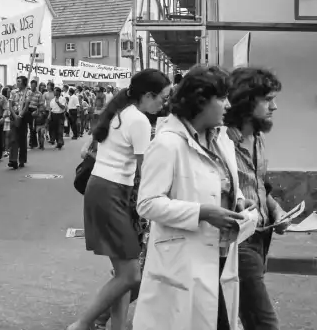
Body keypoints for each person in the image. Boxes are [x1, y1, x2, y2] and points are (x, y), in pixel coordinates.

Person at [133, 65, 255, 330]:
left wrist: (239, 201)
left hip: (220, 255)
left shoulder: (221, 139)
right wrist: (203, 212)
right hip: (183, 261)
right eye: (221, 98)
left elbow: (223, 183)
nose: (228, 104)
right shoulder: (167, 143)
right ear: (200, 100)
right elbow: (147, 203)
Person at [67, 69, 171, 330]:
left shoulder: (121, 112)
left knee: (125, 273)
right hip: (111, 192)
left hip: (106, 190)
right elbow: (146, 170)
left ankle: (105, 324)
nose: (164, 104)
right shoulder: (139, 120)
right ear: (148, 95)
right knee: (130, 274)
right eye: (163, 97)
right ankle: (83, 324)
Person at [225, 67, 288, 330]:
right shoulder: (223, 139)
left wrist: (277, 210)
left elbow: (258, 184)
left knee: (244, 316)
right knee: (264, 322)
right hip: (240, 238)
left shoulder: (257, 136)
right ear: (247, 100)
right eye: (268, 99)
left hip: (263, 234)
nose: (275, 106)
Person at [9, 76, 32, 169]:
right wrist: (15, 115)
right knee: (13, 138)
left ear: (24, 82)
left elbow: (26, 105)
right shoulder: (13, 92)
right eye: (17, 81)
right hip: (14, 115)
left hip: (23, 116)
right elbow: (10, 105)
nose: (17, 83)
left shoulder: (28, 92)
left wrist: (20, 115)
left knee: (22, 139)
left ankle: (22, 160)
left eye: (19, 81)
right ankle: (13, 160)